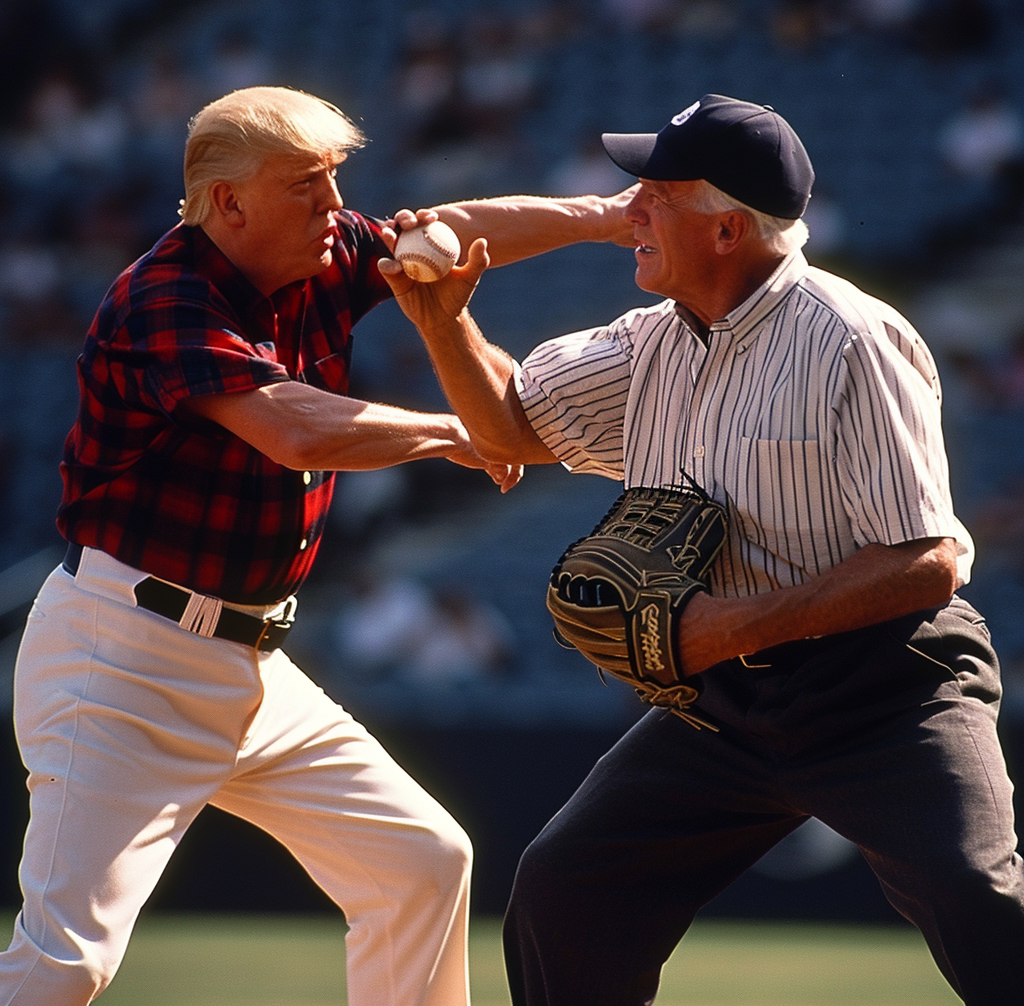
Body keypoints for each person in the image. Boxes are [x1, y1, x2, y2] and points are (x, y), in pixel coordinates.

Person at [379, 93, 1024, 1006]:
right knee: (566, 892)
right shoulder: (651, 343)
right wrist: (443, 323)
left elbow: (928, 562)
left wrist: (724, 629)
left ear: (727, 231)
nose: (630, 212)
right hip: (729, 699)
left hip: (887, 686)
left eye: (658, 196)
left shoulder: (851, 338)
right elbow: (513, 427)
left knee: (974, 894)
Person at [0, 85, 633, 1006]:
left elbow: (459, 224)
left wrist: (609, 217)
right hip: (122, 667)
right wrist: (458, 431)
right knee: (67, 963)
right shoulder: (163, 295)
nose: (336, 208)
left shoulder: (315, 258)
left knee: (420, 862)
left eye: (335, 179)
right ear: (228, 202)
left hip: (250, 664)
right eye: (308, 184)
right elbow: (293, 428)